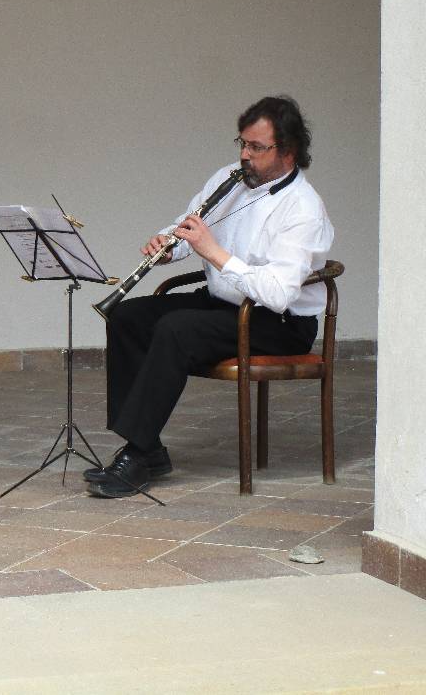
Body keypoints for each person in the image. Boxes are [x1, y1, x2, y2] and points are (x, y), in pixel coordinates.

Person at [86, 95, 334, 498]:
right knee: (128, 316)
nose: (245, 155)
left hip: (278, 323)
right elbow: (191, 228)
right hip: (226, 305)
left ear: (288, 152)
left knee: (176, 329)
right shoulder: (229, 178)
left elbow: (277, 292)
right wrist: (169, 245)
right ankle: (150, 448)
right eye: (242, 143)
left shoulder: (303, 208)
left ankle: (137, 455)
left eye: (257, 147)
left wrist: (214, 253)